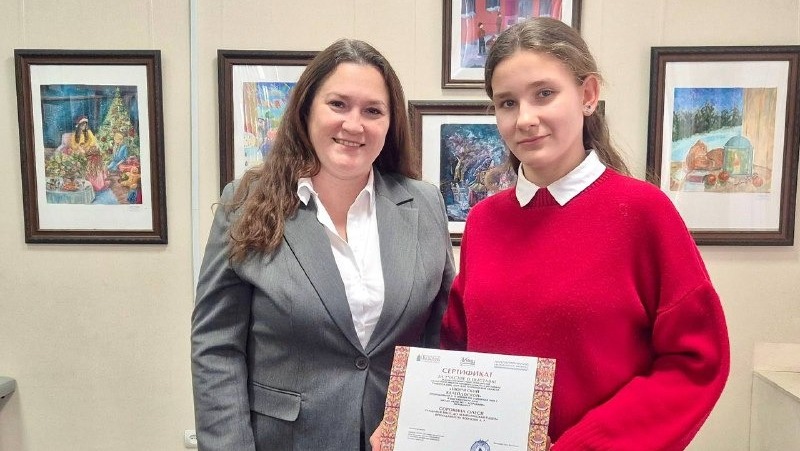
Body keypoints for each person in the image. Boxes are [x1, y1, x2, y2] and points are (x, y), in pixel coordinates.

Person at [372, 17, 729, 451]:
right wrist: (412, 424)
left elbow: (695, 363)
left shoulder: (643, 213)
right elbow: (457, 347)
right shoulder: (484, 221)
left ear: (588, 95)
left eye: (544, 94)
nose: (525, 119)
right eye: (507, 102)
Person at [191, 38, 455, 451]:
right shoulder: (246, 203)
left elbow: (441, 336)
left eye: (373, 111)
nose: (354, 125)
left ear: (390, 123)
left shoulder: (424, 204)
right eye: (338, 104)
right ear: (306, 110)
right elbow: (216, 347)